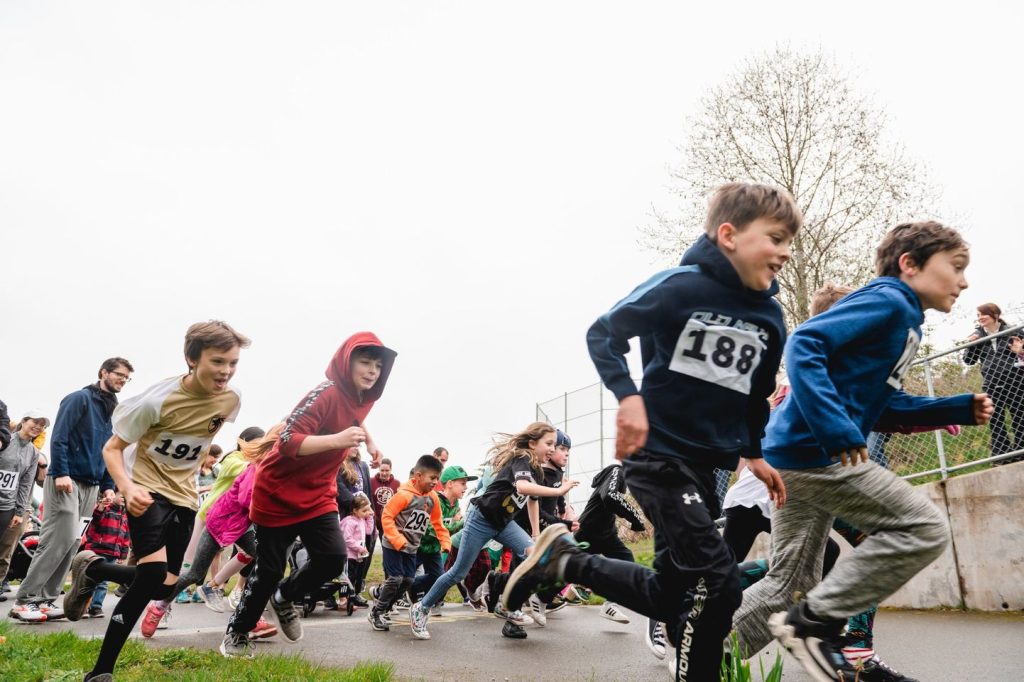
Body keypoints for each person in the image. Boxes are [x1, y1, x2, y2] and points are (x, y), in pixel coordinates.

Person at [500, 182, 799, 681]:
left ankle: (563, 561)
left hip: (706, 469)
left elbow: (755, 393)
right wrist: (630, 398)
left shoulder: (770, 316)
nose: (786, 252)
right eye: (775, 237)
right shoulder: (680, 286)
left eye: (790, 241)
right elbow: (604, 333)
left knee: (670, 594)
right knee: (720, 583)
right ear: (729, 235)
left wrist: (756, 453)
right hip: (657, 456)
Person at [726, 221, 993, 682]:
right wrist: (835, 427)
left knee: (789, 582)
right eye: (955, 267)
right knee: (923, 527)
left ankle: (706, 658)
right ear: (910, 265)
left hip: (795, 459)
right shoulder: (890, 299)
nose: (963, 281)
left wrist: (953, 407)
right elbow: (805, 342)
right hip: (818, 455)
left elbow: (882, 404)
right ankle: (816, 625)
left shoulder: (906, 320)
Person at [62, 321, 247, 682]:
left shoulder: (231, 399)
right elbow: (111, 449)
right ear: (191, 359)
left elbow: (202, 436)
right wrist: (128, 488)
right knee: (149, 577)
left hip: (184, 496)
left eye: (233, 363)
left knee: (165, 584)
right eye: (218, 361)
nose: (226, 371)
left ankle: (95, 568)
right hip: (146, 490)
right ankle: (101, 672)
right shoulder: (155, 401)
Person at [220, 332, 396, 659]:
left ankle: (285, 597)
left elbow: (355, 415)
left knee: (332, 558)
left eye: (377, 365)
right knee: (268, 571)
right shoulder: (325, 393)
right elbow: (286, 440)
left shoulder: (364, 397)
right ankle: (238, 632)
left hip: (318, 493)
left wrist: (369, 441)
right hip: (278, 492)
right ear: (346, 362)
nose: (372, 371)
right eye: (365, 362)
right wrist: (339, 440)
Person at [410, 422, 578, 641]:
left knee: (535, 556)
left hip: (504, 523)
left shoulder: (536, 469)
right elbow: (523, 488)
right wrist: (561, 489)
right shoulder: (523, 458)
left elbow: (532, 500)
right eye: (549, 444)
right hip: (481, 519)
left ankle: (507, 605)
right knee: (459, 572)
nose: (552, 449)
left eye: (555, 445)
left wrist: (536, 535)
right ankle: (421, 608)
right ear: (532, 443)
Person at [12, 358, 133, 623]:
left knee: (73, 543)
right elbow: (60, 437)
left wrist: (108, 487)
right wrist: (62, 472)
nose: (122, 380)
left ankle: (46, 599)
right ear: (104, 372)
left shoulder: (112, 409)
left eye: (127, 378)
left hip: (91, 486)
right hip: (66, 480)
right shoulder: (79, 399)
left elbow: (107, 449)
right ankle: (26, 599)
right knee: (57, 538)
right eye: (119, 375)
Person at [139, 426, 280, 636]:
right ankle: (159, 605)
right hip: (214, 519)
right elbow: (246, 492)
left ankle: (246, 612)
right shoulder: (236, 460)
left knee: (263, 561)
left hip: (240, 524)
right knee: (193, 572)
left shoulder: (263, 466)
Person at [368, 455, 450, 632]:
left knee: (408, 581)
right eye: (432, 478)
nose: (435, 482)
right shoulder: (403, 495)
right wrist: (397, 539)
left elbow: (437, 522)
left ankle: (385, 607)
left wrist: (445, 541)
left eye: (437, 478)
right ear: (418, 476)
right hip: (392, 544)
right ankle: (376, 612)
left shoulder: (432, 498)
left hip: (411, 547)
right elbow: (386, 517)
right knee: (396, 578)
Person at [572, 458, 647, 628]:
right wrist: (635, 518)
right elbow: (610, 496)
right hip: (589, 533)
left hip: (606, 535)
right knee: (565, 568)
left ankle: (610, 604)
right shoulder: (617, 470)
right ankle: (540, 598)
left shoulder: (620, 475)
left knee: (626, 559)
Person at [1, 412, 49, 619]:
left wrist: (20, 512)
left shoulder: (33, 452)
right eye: (34, 421)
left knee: (4, 554)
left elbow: (25, 484)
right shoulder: (5, 440)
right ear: (24, 421)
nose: (37, 426)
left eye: (42, 425)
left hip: (9, 508)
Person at [963, 303, 1024, 464]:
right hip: (991, 382)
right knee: (996, 420)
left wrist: (1020, 350)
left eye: (983, 314)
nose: (980, 318)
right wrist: (971, 344)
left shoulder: (1013, 331)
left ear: (995, 315)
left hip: (1015, 381)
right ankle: (1002, 455)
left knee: (1019, 416)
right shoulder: (978, 335)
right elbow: (968, 361)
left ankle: (1021, 451)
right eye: (978, 315)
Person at [81, 493, 130, 618]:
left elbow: (125, 537)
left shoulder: (125, 515)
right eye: (121, 494)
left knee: (103, 582)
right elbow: (96, 518)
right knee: (89, 579)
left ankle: (96, 607)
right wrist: (101, 506)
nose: (124, 497)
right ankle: (83, 607)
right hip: (97, 550)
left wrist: (122, 554)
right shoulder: (104, 510)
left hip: (112, 553)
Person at [341, 493, 375, 610]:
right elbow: (347, 539)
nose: (366, 513)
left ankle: (353, 596)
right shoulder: (349, 521)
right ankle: (345, 599)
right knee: (348, 577)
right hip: (350, 555)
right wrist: (359, 548)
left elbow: (369, 531)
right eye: (364, 511)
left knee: (357, 577)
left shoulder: (361, 520)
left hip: (358, 556)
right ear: (355, 510)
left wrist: (370, 516)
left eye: (368, 510)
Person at [369, 457, 400, 537]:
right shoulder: (370, 481)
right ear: (379, 469)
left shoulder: (397, 484)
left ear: (391, 470)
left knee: (386, 548)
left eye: (387, 470)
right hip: (372, 521)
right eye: (382, 470)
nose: (384, 473)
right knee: (369, 548)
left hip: (388, 523)